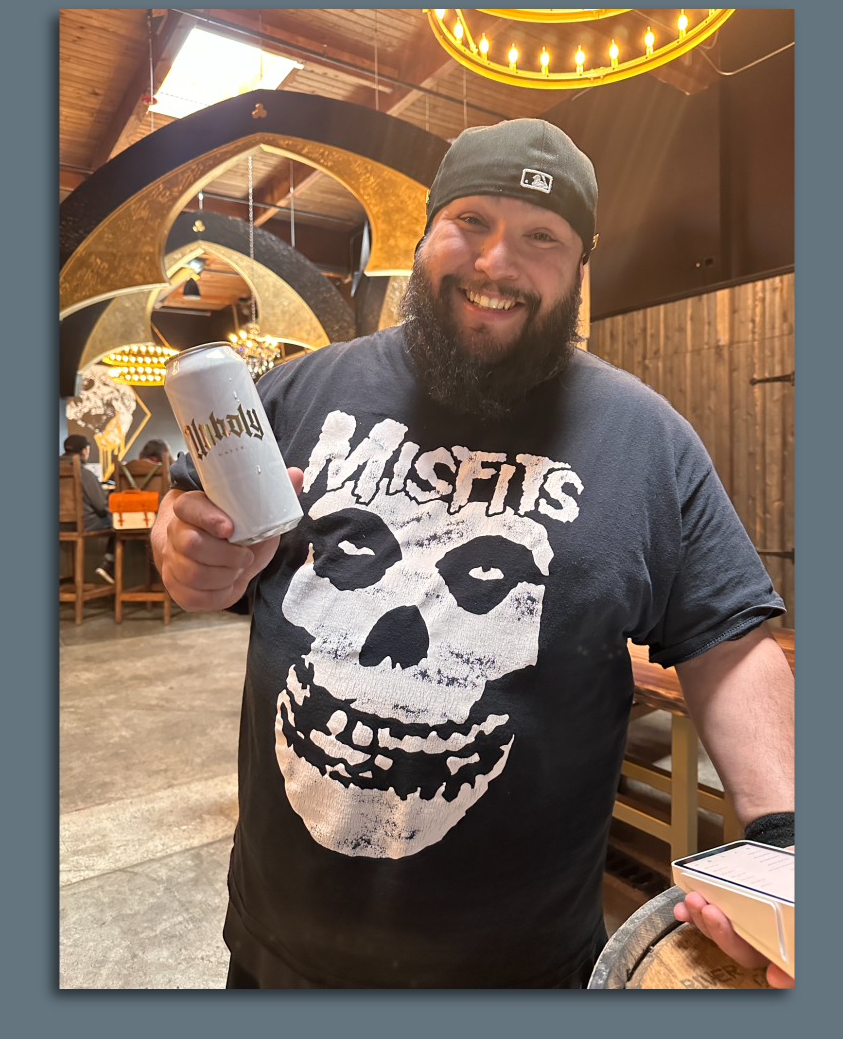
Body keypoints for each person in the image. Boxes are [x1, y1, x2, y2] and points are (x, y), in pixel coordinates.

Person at [152, 118, 794, 989]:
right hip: (277, 949)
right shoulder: (297, 392)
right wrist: (182, 549)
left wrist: (784, 858)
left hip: (517, 970)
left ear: (577, 270)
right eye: (471, 223)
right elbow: (197, 533)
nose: (497, 263)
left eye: (540, 237)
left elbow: (732, 642)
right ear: (425, 235)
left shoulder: (645, 441)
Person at [63, 433, 113, 585]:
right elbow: (100, 506)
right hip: (83, 524)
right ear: (84, 451)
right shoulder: (83, 473)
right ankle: (109, 565)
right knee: (114, 522)